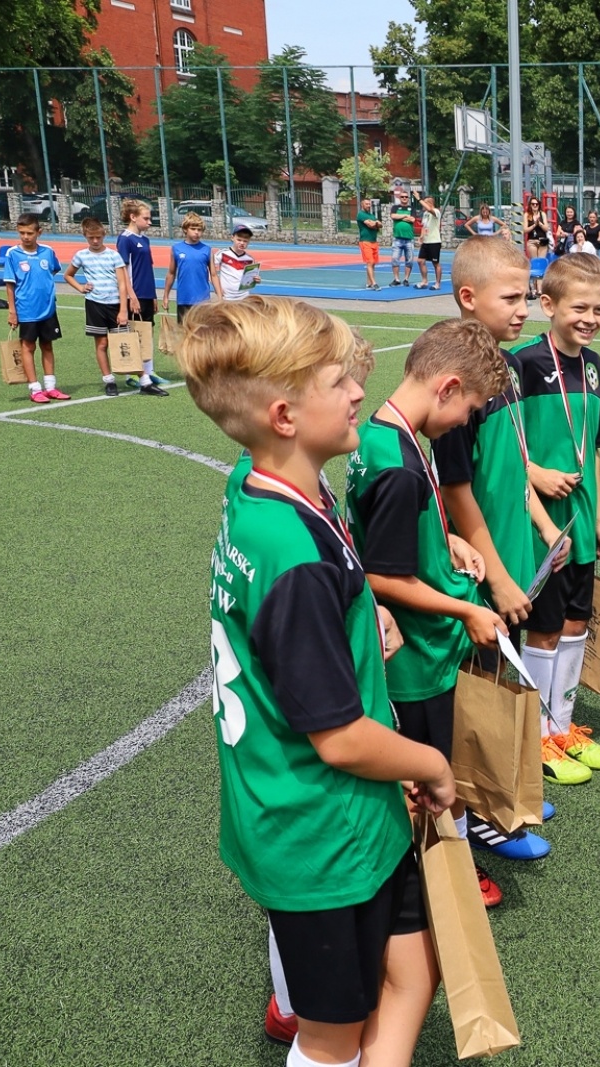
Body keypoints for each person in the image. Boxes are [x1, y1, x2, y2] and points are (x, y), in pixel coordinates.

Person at [180, 295, 452, 1067]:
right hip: (323, 834)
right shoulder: (290, 552)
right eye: (339, 381)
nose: (360, 390)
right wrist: (432, 765)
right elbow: (338, 738)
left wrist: (365, 611)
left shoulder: (263, 480)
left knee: (411, 972)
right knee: (332, 1036)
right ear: (284, 415)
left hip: (341, 819)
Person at [345, 317, 519, 907]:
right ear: (446, 388)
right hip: (418, 664)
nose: (467, 421)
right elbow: (382, 574)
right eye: (469, 408)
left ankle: (441, 865)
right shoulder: (398, 468)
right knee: (431, 775)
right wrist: (463, 610)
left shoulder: (383, 436)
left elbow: (385, 535)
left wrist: (447, 539)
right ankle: (439, 878)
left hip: (426, 653)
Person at [433, 237, 570, 852]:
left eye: (527, 294)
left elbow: (511, 468)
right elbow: (457, 490)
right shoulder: (453, 379)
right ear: (468, 298)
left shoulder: (508, 368)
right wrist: (494, 577)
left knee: (501, 677)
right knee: (473, 690)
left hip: (512, 553)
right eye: (511, 297)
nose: (525, 308)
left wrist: (543, 527)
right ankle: (481, 813)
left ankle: (505, 789)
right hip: (473, 572)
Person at [514, 253, 600, 785]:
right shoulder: (523, 363)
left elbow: (592, 451)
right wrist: (535, 473)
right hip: (539, 521)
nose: (590, 317)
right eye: (580, 307)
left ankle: (563, 727)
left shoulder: (595, 364)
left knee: (577, 622)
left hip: (579, 519)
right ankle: (535, 736)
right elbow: (505, 444)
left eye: (599, 308)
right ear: (548, 304)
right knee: (546, 629)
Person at [65, 218, 154, 399]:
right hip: (94, 305)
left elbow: (122, 284)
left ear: (104, 235)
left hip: (115, 305)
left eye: (98, 237)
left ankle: (145, 381)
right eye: (91, 238)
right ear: (85, 237)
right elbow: (68, 275)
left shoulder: (113, 255)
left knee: (128, 342)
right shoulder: (81, 255)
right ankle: (109, 380)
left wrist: (123, 309)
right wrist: (81, 288)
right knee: (102, 344)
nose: (95, 241)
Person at [4, 213, 68, 404]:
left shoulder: (47, 252)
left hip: (47, 308)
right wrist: (12, 311)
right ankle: (34, 388)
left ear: (39, 232)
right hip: (26, 310)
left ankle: (50, 387)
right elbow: (10, 284)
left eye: (30, 233)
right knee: (28, 347)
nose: (25, 237)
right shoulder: (12, 254)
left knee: (47, 345)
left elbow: (53, 269)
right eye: (22, 233)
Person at [116, 197, 169, 391]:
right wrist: (132, 296)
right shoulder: (125, 239)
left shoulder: (145, 240)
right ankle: (133, 373)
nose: (149, 222)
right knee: (134, 334)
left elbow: (148, 268)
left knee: (147, 332)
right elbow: (122, 270)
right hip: (134, 295)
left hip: (147, 293)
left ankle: (149, 370)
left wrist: (153, 295)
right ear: (133, 217)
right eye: (146, 218)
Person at [161, 213, 215, 322]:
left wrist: (220, 296)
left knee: (202, 334)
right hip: (184, 300)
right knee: (183, 334)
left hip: (202, 301)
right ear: (185, 229)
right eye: (193, 229)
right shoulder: (176, 249)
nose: (196, 232)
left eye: (199, 230)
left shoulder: (207, 250)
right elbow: (171, 273)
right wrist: (166, 295)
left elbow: (214, 275)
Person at [214, 225, 261, 302]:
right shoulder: (223, 254)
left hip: (244, 297)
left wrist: (256, 280)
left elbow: (250, 279)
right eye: (239, 240)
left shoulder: (250, 259)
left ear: (249, 241)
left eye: (245, 241)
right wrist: (217, 288)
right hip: (226, 297)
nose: (242, 243)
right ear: (232, 238)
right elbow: (210, 270)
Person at [390, 191, 416, 287]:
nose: (404, 198)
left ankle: (406, 279)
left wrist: (399, 217)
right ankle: (396, 279)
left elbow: (412, 219)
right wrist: (405, 216)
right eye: (402, 197)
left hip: (409, 239)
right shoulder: (395, 207)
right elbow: (393, 216)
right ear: (399, 198)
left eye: (406, 197)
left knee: (409, 260)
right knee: (395, 259)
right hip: (397, 238)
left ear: (408, 198)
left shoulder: (412, 208)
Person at [417, 196, 443, 290]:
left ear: (429, 203)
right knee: (420, 261)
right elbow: (424, 226)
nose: (422, 205)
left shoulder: (436, 212)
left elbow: (430, 209)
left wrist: (419, 199)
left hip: (434, 241)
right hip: (426, 242)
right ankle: (424, 281)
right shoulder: (425, 214)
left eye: (424, 203)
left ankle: (437, 284)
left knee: (435, 263)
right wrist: (421, 236)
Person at [356, 198, 381, 290]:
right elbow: (370, 225)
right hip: (365, 241)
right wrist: (375, 223)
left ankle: (369, 283)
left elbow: (380, 225)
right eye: (366, 204)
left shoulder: (371, 215)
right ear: (362, 204)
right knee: (370, 262)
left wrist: (375, 223)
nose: (368, 205)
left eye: (369, 204)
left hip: (374, 241)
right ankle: (374, 283)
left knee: (373, 263)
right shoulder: (361, 214)